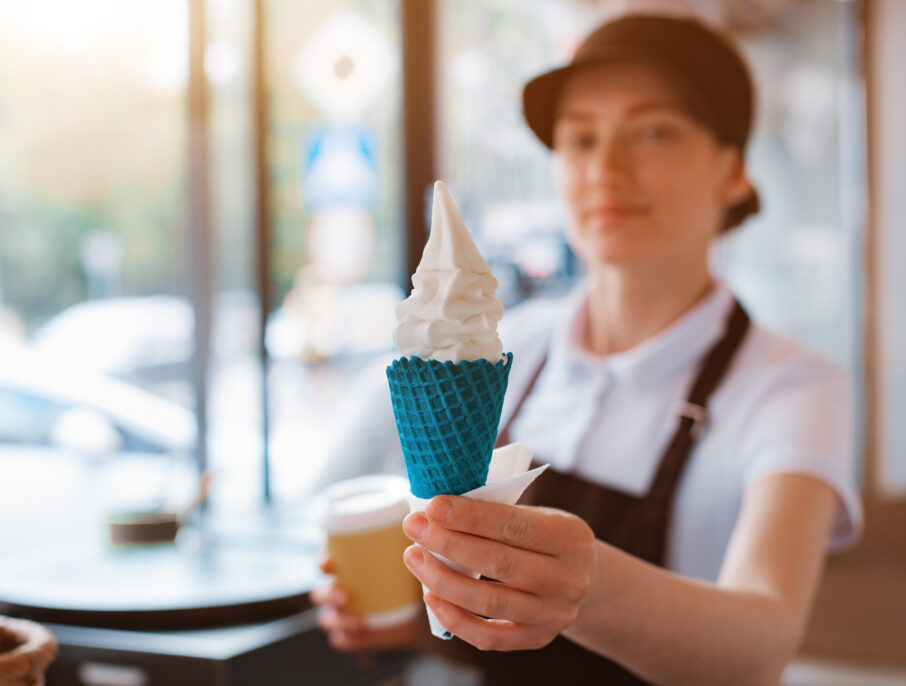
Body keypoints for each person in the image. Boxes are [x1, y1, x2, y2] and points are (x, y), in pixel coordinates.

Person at [311, 12, 861, 686]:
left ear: (735, 172)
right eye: (580, 139)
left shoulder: (794, 387)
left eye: (653, 131)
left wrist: (588, 587)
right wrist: (413, 610)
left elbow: (761, 644)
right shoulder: (510, 349)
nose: (605, 167)